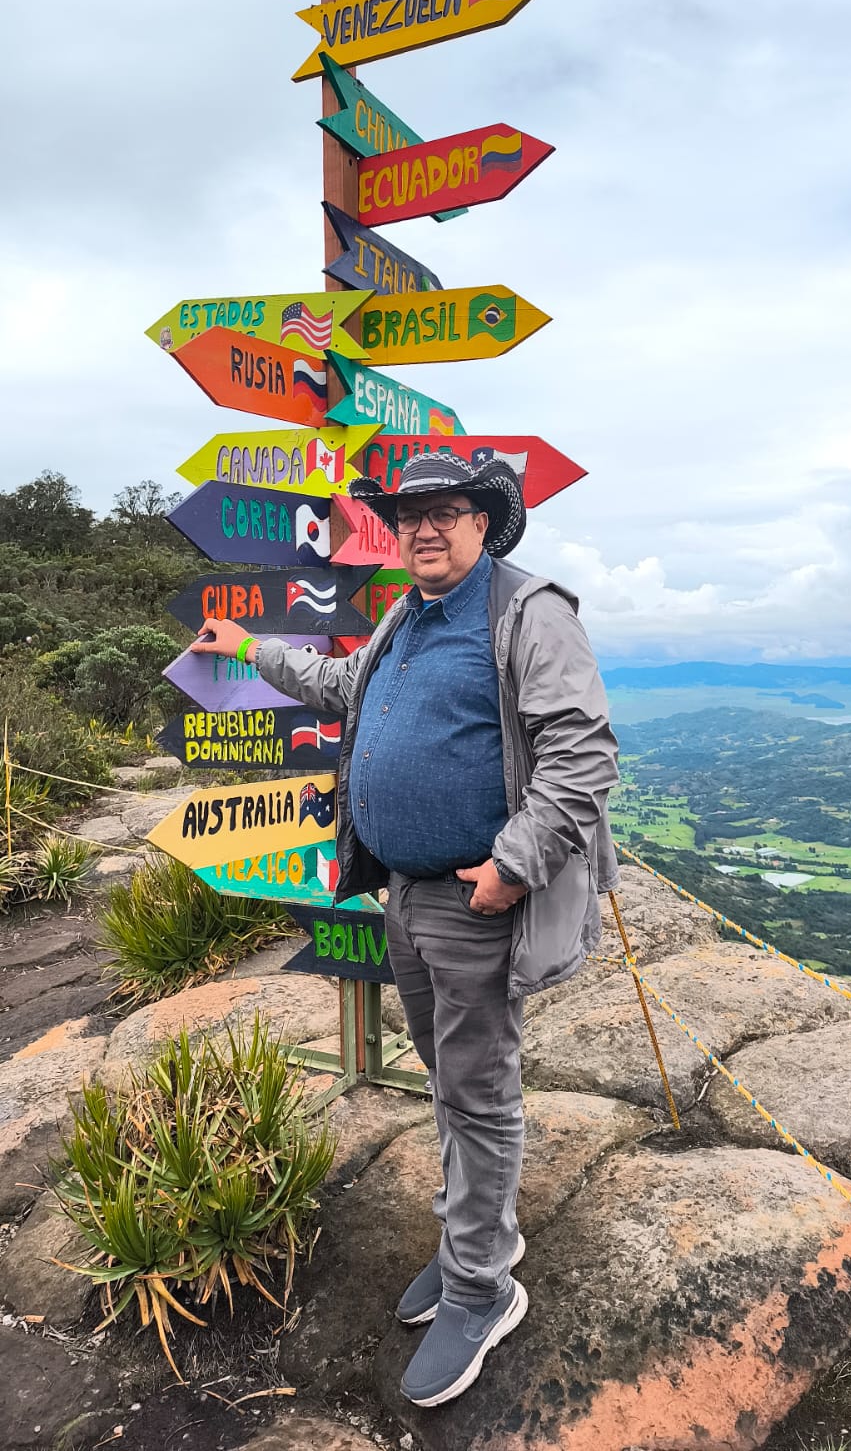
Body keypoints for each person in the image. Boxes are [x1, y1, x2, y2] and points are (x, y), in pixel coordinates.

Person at [190, 451, 620, 1407]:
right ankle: (476, 1238)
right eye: (408, 514)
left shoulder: (527, 610)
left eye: (444, 511)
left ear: (482, 521)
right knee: (447, 1080)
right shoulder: (406, 614)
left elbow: (582, 751)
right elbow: (342, 686)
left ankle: (481, 1286)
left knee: (478, 1090)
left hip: (477, 901)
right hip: (406, 896)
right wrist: (250, 646)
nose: (423, 528)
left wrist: (512, 867)